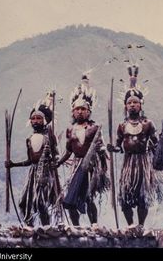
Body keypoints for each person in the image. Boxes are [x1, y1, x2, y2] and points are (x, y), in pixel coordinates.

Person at [107, 65, 163, 228]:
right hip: (128, 164)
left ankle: (141, 225)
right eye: (129, 102)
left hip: (143, 163)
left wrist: (162, 141)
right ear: (125, 106)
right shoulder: (122, 126)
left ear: (140, 105)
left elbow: (156, 145)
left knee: (143, 195)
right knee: (125, 196)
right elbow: (118, 146)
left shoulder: (147, 123)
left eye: (135, 102)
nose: (132, 105)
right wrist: (113, 148)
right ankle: (130, 225)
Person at [57, 75, 110, 226]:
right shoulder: (70, 129)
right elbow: (68, 151)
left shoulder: (94, 128)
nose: (80, 112)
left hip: (91, 167)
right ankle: (76, 227)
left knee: (88, 197)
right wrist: (58, 163)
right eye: (77, 109)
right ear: (72, 112)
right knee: (70, 198)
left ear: (88, 111)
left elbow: (101, 149)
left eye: (83, 109)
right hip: (76, 166)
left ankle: (94, 225)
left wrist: (103, 168)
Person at [5, 99, 61, 226]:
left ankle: (46, 228)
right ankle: (30, 227)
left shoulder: (50, 137)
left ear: (45, 120)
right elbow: (30, 161)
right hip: (33, 174)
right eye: (33, 118)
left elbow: (56, 155)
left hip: (46, 174)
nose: (35, 121)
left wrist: (54, 162)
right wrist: (13, 165)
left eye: (38, 118)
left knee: (40, 203)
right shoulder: (29, 139)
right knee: (23, 203)